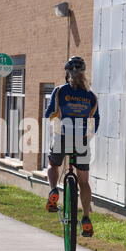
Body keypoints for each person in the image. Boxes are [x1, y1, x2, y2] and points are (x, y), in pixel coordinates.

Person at [45, 56, 100, 238]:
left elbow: (50, 113)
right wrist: (86, 135)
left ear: (67, 72)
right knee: (83, 181)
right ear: (83, 73)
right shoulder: (91, 96)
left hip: (62, 136)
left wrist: (56, 122)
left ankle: (53, 191)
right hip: (82, 140)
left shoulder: (60, 91)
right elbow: (95, 121)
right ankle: (85, 218)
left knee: (53, 164)